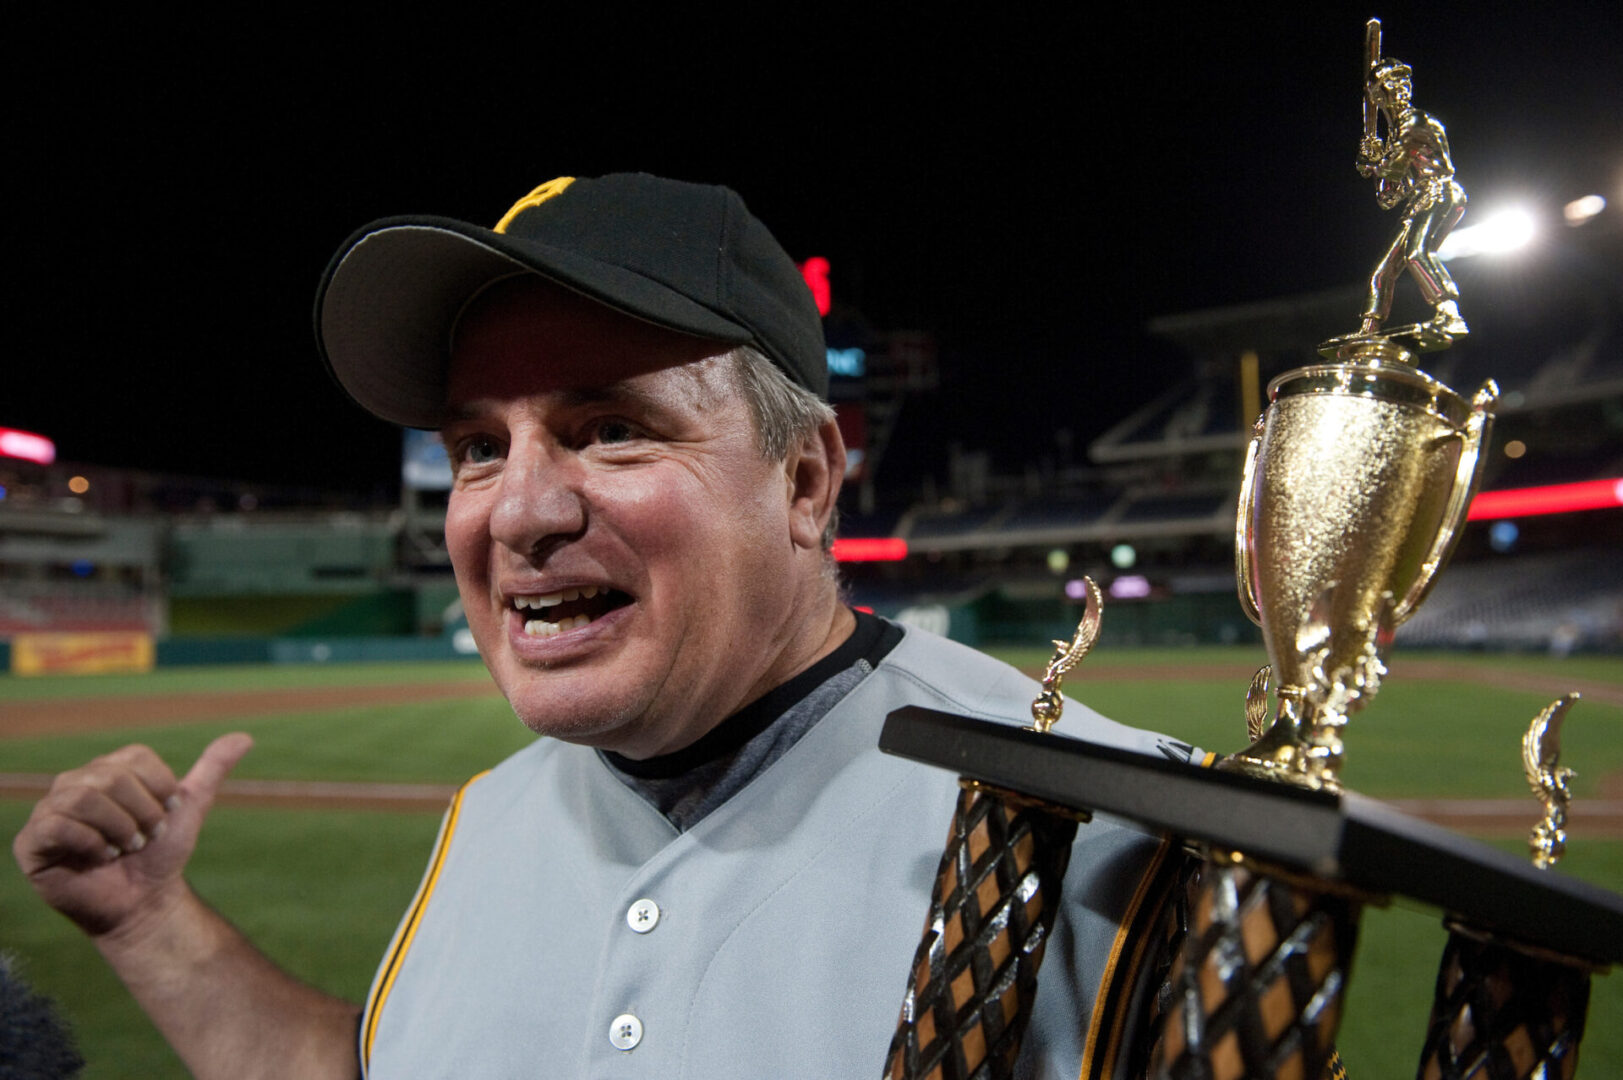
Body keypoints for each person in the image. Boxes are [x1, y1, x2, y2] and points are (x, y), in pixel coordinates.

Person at [13, 173, 1194, 1078]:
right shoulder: (492, 815)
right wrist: (151, 924)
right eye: (479, 446)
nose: (519, 510)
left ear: (803, 482)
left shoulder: (1095, 832)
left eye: (609, 426)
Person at [1356, 58, 1468, 340]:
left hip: (1440, 192)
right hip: (1418, 201)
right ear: (1381, 98)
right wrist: (1374, 167)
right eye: (1392, 85)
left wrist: (1375, 162)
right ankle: (1369, 328)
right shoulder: (1395, 135)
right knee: (1382, 272)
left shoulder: (1415, 121)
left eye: (1404, 82)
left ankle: (1449, 312)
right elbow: (1389, 197)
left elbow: (1400, 158)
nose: (1402, 88)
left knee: (1417, 253)